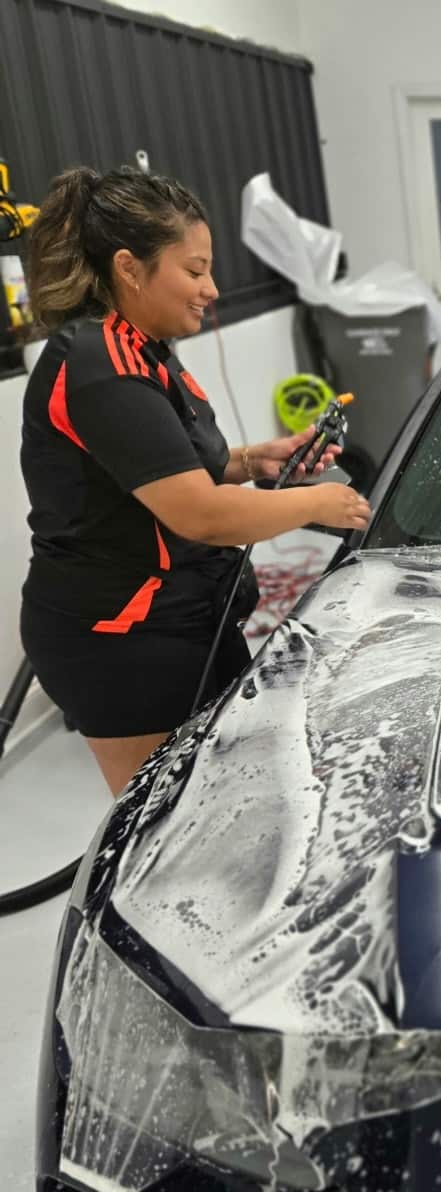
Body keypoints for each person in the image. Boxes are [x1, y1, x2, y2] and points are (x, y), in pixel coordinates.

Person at [17, 166, 370, 796]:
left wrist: (254, 461)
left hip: (186, 615)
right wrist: (319, 503)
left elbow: (168, 465)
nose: (212, 288)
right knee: (166, 823)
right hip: (122, 639)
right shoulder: (100, 363)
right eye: (195, 270)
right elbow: (201, 514)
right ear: (130, 268)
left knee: (229, 797)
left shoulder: (142, 348)